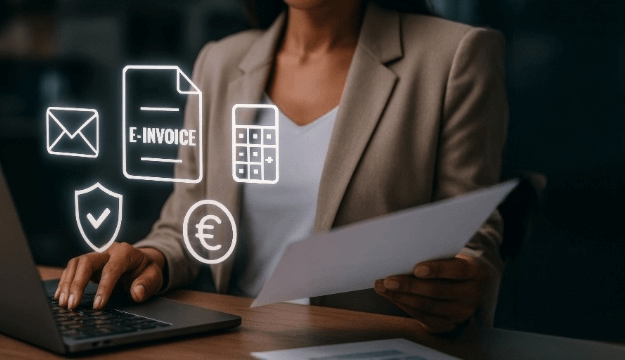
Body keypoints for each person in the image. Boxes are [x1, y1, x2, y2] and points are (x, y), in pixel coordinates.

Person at [56, 0, 508, 334]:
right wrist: (151, 259)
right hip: (232, 342)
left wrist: (463, 282)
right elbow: (186, 225)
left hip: (367, 343)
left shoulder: (454, 56)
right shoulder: (221, 61)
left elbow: (472, 235)